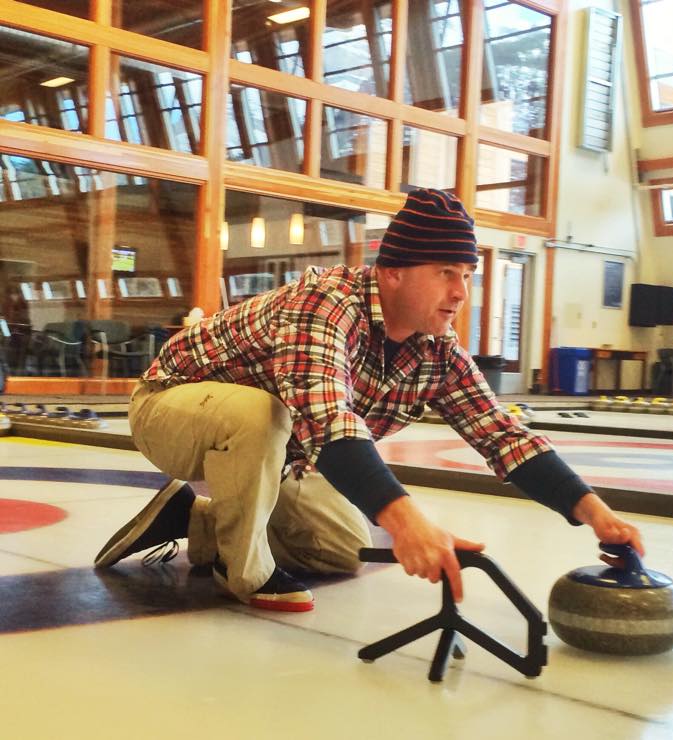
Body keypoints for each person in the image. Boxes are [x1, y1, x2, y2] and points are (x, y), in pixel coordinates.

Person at [95, 188, 643, 612]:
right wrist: (408, 522)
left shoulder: (437, 352)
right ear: (394, 273)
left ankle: (197, 519)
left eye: (468, 275)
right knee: (265, 412)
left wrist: (593, 512)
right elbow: (330, 420)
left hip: (278, 454)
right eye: (446, 273)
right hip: (169, 407)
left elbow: (500, 433)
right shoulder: (325, 305)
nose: (461, 292)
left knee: (338, 547)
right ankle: (243, 573)